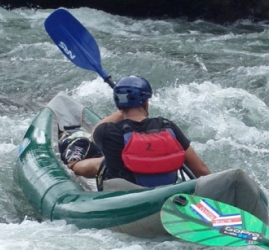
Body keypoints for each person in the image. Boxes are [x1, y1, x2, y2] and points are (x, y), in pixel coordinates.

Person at [66, 75, 211, 190]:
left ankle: (73, 165)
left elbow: (95, 131)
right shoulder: (168, 126)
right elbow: (200, 169)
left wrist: (121, 109)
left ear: (119, 104)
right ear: (146, 102)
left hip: (128, 200)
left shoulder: (107, 132)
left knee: (100, 164)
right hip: (167, 194)